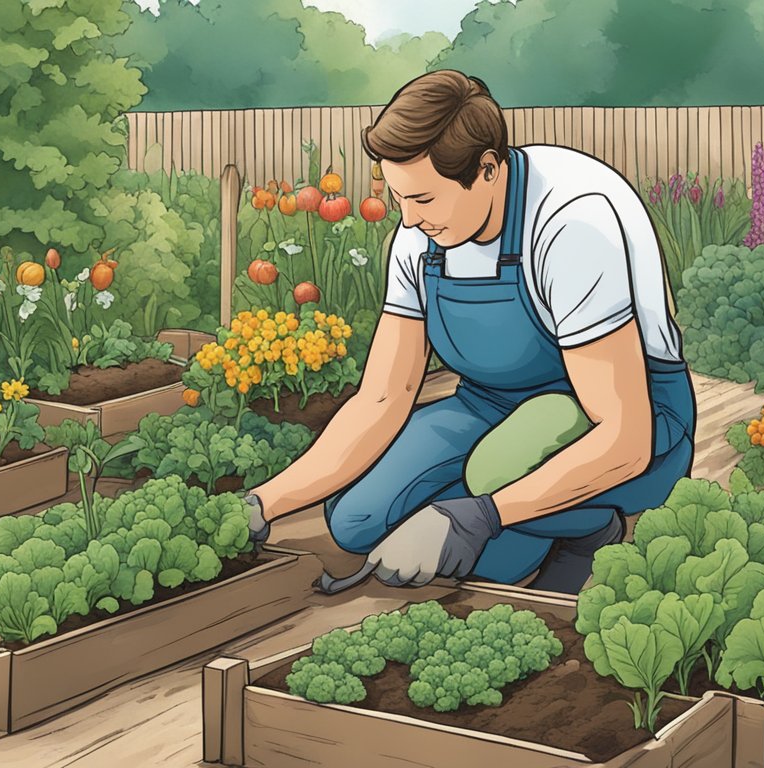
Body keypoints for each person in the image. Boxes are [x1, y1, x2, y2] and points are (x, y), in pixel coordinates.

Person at [242, 70, 697, 593]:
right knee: (356, 520)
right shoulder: (422, 237)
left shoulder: (570, 223)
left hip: (634, 416)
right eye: (400, 199)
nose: (408, 221)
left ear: (487, 169)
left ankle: (593, 528)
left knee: (484, 542)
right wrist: (265, 502)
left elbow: (625, 437)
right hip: (490, 403)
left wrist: (475, 516)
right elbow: (384, 397)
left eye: (424, 200)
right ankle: (508, 508)